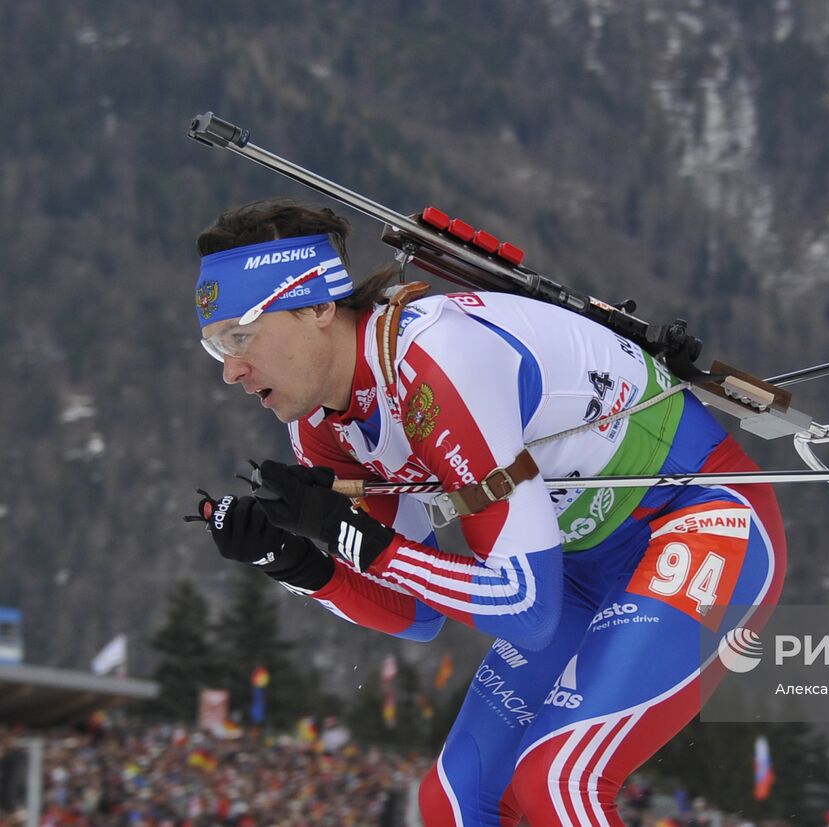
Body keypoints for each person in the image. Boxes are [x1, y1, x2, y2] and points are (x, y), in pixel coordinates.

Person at [188, 198, 786, 826]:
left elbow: (524, 611)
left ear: (316, 308)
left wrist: (355, 538)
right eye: (214, 347)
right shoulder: (324, 427)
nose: (230, 370)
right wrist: (295, 562)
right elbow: (416, 613)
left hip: (699, 524)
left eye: (241, 336)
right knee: (454, 804)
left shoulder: (437, 363)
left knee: (557, 785)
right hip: (578, 570)